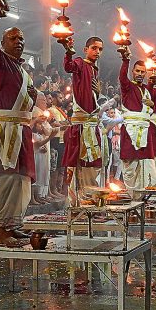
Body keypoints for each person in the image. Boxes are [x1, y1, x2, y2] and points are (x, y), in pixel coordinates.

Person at [0, 15, 36, 246]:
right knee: (4, 178)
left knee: (21, 178)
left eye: (21, 38)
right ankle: (0, 230)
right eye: (12, 38)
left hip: (22, 129)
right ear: (3, 43)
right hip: (6, 130)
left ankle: (13, 225)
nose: (18, 41)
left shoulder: (21, 70)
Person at [62, 37, 105, 204]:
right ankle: (77, 202)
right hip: (80, 127)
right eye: (94, 48)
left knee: (92, 166)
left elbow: (94, 101)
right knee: (78, 165)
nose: (97, 52)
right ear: (85, 49)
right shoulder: (80, 62)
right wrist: (68, 51)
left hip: (92, 125)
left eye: (100, 49)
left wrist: (99, 92)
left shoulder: (94, 69)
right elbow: (68, 67)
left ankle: (91, 199)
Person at [118, 52, 156, 197]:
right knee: (130, 166)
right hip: (130, 130)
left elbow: (150, 109)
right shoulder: (127, 86)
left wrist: (152, 104)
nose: (140, 74)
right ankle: (131, 196)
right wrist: (126, 60)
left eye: (142, 72)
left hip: (144, 132)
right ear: (133, 72)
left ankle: (141, 198)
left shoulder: (146, 90)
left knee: (143, 166)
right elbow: (122, 77)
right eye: (137, 71)